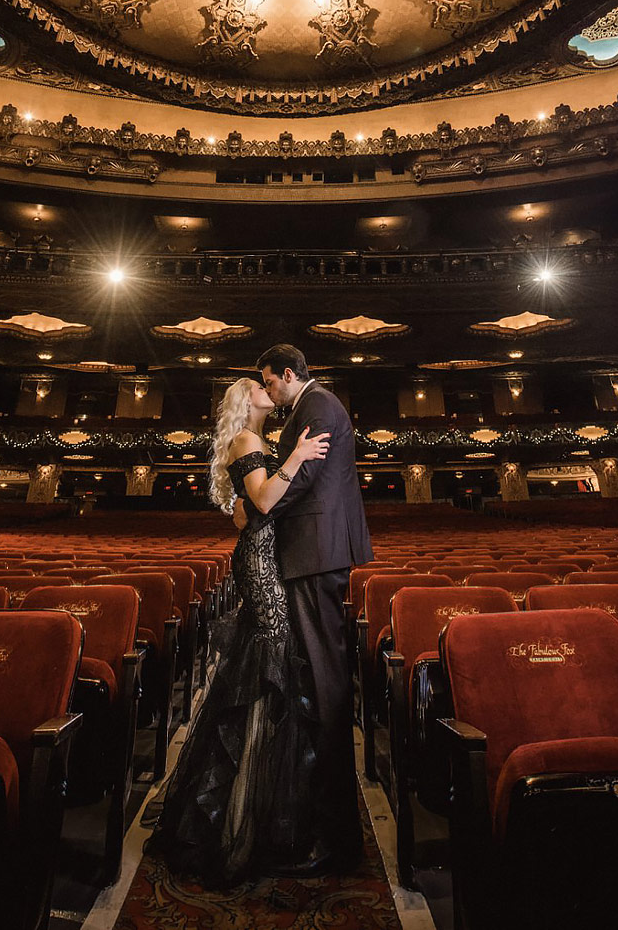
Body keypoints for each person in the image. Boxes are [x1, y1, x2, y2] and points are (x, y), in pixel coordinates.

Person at [148, 376, 329, 886]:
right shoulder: (250, 440)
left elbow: (240, 515)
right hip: (262, 565)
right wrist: (297, 457)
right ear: (244, 400)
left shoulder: (259, 442)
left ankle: (266, 809)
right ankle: (246, 819)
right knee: (266, 667)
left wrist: (285, 458)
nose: (267, 386)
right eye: (258, 384)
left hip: (266, 556)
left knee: (270, 666)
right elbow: (265, 504)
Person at [236, 343, 373, 875]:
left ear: (287, 375)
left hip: (315, 557)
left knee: (324, 685)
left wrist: (254, 510)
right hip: (313, 556)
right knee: (314, 685)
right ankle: (320, 822)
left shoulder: (317, 409)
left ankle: (336, 838)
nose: (268, 391)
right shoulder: (313, 408)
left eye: (269, 382)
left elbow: (301, 485)